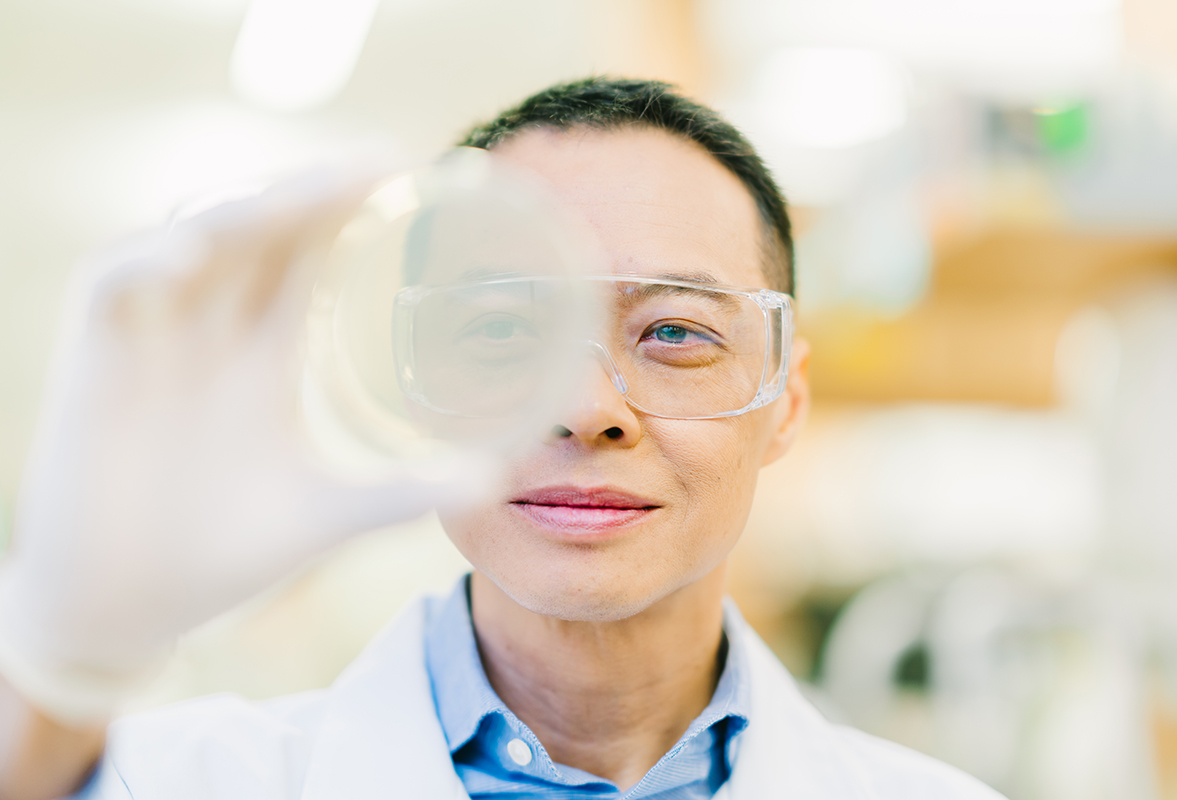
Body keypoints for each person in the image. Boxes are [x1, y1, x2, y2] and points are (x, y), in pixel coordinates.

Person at [0, 78, 1005, 799]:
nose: (586, 406)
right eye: (501, 330)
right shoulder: (160, 778)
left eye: (674, 332)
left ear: (785, 401)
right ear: (418, 385)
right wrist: (56, 677)